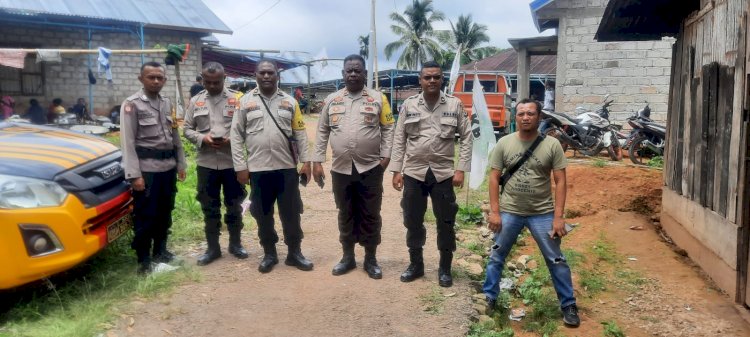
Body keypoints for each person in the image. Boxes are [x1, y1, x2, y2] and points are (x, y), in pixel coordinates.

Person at [482, 98, 580, 327]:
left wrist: (558, 217)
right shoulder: (504, 143)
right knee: (497, 256)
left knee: (556, 260)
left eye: (530, 113)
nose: (525, 117)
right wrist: (494, 212)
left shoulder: (552, 145)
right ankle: (489, 297)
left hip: (542, 214)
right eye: (521, 114)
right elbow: (494, 178)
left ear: (539, 117)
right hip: (510, 212)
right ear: (515, 118)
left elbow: (560, 181)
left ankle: (568, 305)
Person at [388, 60, 472, 288]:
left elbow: (467, 137)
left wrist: (461, 169)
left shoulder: (454, 105)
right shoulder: (409, 105)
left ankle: (445, 268)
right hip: (414, 172)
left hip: (443, 174)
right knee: (412, 220)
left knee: (446, 222)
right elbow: (399, 137)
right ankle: (416, 265)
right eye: (427, 77)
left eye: (436, 77)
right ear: (420, 80)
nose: (432, 80)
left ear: (442, 79)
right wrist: (396, 170)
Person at [312, 54, 395, 279]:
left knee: (370, 213)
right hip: (341, 169)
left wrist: (386, 158)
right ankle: (347, 257)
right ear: (343, 74)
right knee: (345, 212)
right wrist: (317, 161)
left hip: (370, 167)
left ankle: (370, 259)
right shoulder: (332, 100)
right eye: (349, 70)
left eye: (357, 70)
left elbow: (388, 128)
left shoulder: (379, 99)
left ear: (365, 74)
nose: (353, 74)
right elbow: (322, 131)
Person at [230, 60, 313, 273]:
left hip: (286, 169)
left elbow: (300, 134)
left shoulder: (290, 102)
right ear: (255, 75)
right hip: (258, 170)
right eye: (262, 73)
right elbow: (236, 136)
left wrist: (306, 162)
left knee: (292, 212)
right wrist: (240, 166)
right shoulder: (245, 102)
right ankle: (269, 253)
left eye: (270, 73)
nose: (266, 76)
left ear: (278, 76)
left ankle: (295, 252)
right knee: (262, 213)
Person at [120, 61, 187, 274]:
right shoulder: (132, 105)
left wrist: (181, 163)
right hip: (146, 170)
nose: (156, 80)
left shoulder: (166, 103)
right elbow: (127, 142)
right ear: (141, 79)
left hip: (167, 168)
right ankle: (144, 261)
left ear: (165, 80)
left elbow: (175, 135)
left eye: (159, 77)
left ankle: (161, 251)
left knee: (164, 213)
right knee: (146, 215)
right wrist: (134, 175)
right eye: (151, 77)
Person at [183, 62, 248, 266]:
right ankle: (213, 248)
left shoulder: (237, 99)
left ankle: (235, 244)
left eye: (216, 82)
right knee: (209, 207)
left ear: (224, 78)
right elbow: (186, 129)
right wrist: (203, 139)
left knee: (235, 204)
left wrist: (231, 139)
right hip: (207, 163)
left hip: (232, 162)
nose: (212, 86)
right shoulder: (196, 101)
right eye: (208, 82)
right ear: (202, 80)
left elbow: (247, 128)